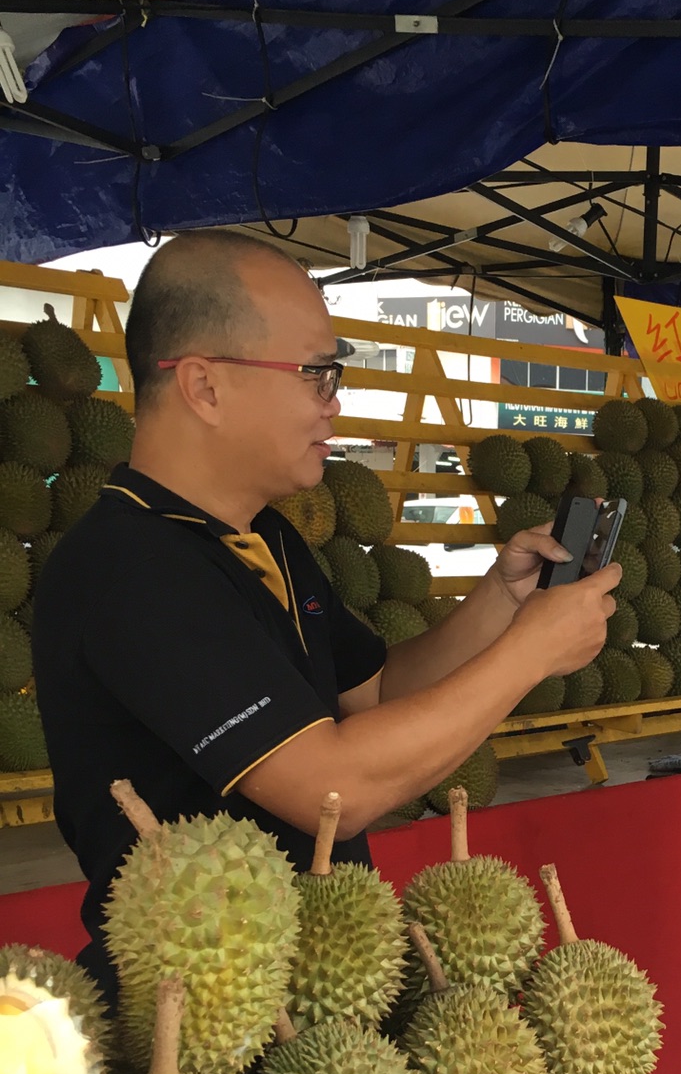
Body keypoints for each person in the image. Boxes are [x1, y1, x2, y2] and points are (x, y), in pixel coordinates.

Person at [33, 230, 618, 999]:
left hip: (321, 986)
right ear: (205, 387)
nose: (333, 403)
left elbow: (375, 699)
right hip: (198, 1013)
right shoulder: (130, 566)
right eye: (316, 374)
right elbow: (329, 791)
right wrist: (529, 657)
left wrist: (502, 605)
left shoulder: (266, 535)